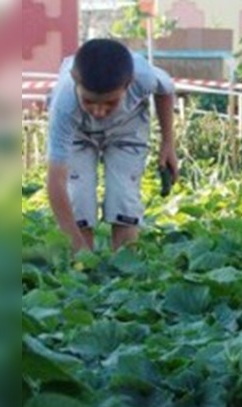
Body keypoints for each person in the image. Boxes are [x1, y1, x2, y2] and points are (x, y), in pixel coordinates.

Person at [44, 38, 178, 254]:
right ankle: (81, 267)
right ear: (74, 82)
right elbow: (55, 180)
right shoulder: (64, 103)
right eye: (89, 101)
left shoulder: (143, 75)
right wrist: (75, 243)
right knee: (78, 196)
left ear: (129, 83)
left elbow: (166, 91)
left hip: (127, 127)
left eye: (109, 102)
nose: (98, 111)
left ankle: (125, 268)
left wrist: (168, 143)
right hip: (79, 132)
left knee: (123, 194)